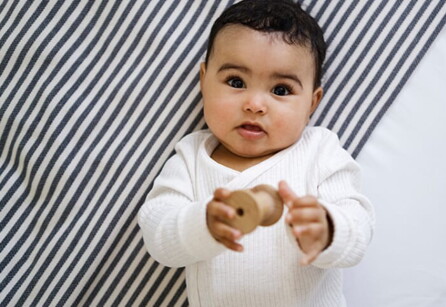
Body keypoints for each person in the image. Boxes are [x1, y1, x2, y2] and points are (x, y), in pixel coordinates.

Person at [138, 0, 374, 306]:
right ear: (204, 80)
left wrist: (328, 230)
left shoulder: (321, 152)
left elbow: (359, 229)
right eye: (236, 82)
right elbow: (158, 238)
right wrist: (203, 224)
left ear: (312, 103)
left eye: (281, 90)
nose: (255, 104)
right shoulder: (191, 157)